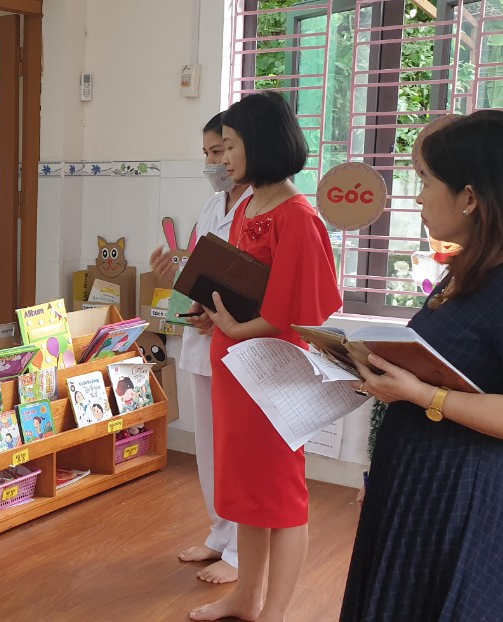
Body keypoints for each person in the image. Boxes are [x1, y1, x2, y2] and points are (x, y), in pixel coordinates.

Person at [341, 110, 503, 620]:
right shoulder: (476, 267)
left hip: (465, 496)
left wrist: (422, 394)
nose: (418, 198)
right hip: (419, 478)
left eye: (426, 182)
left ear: (470, 197)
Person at [189, 91, 343, 622]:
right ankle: (245, 598)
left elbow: (302, 310)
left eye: (230, 146)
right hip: (234, 366)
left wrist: (237, 326)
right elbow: (244, 285)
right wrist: (213, 312)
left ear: (260, 143)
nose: (224, 158)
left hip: (272, 374)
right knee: (248, 494)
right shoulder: (250, 205)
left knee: (280, 499)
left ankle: (272, 611)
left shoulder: (297, 215)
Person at [150, 111, 253, 584]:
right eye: (209, 153)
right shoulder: (214, 205)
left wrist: (218, 311)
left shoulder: (262, 206)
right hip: (202, 339)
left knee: (237, 453)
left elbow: (253, 283)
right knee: (209, 449)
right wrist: (175, 273)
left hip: (238, 344)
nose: (215, 162)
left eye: (221, 151)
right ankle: (220, 534)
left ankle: (241, 552)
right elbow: (204, 272)